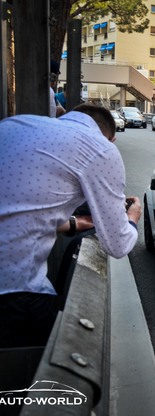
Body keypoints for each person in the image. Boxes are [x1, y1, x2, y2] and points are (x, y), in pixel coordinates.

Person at [0, 104, 142, 348]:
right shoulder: (101, 150)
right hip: (14, 289)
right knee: (56, 353)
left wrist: (74, 223)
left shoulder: (16, 124)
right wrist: (133, 217)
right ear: (112, 138)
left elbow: (22, 206)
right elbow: (118, 245)